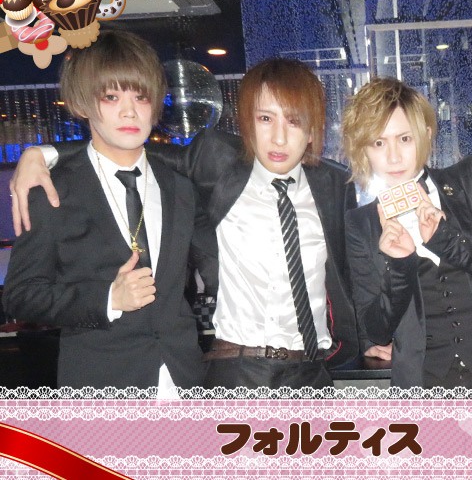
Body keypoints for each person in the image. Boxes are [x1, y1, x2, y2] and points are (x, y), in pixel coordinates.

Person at [10, 58, 361, 389]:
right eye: (265, 119)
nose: (279, 138)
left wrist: (373, 339)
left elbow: (352, 271)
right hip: (237, 370)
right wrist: (41, 153)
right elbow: (127, 148)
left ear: (312, 129)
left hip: (313, 373)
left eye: (294, 121)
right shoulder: (217, 163)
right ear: (247, 123)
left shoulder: (334, 185)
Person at [2, 31, 206, 394]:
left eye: (141, 97)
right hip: (102, 386)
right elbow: (21, 295)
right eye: (111, 97)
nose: (130, 111)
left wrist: (44, 150)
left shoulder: (179, 186)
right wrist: (108, 299)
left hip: (184, 381)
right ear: (81, 104)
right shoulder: (53, 191)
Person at [342, 77, 472, 389]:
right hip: (425, 381)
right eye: (378, 143)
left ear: (425, 135)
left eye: (404, 139)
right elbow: (375, 330)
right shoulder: (362, 224)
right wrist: (399, 266)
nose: (393, 157)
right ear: (363, 150)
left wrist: (447, 240)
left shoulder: (468, 180)